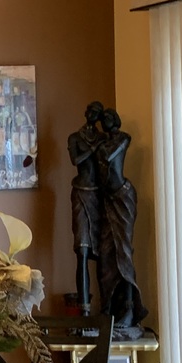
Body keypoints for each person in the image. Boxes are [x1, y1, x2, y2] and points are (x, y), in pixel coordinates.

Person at [96, 108, 148, 333]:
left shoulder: (122, 139)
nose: (105, 121)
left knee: (123, 254)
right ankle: (109, 307)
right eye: (103, 118)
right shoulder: (101, 142)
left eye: (109, 117)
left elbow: (107, 156)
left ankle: (129, 309)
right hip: (106, 198)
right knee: (106, 255)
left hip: (123, 196)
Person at [68, 100, 106, 310]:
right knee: (81, 251)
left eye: (97, 112)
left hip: (98, 196)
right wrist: (93, 149)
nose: (93, 114)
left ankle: (105, 306)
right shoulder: (75, 138)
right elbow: (76, 160)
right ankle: (84, 308)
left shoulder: (103, 139)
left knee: (101, 253)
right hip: (81, 193)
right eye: (91, 110)